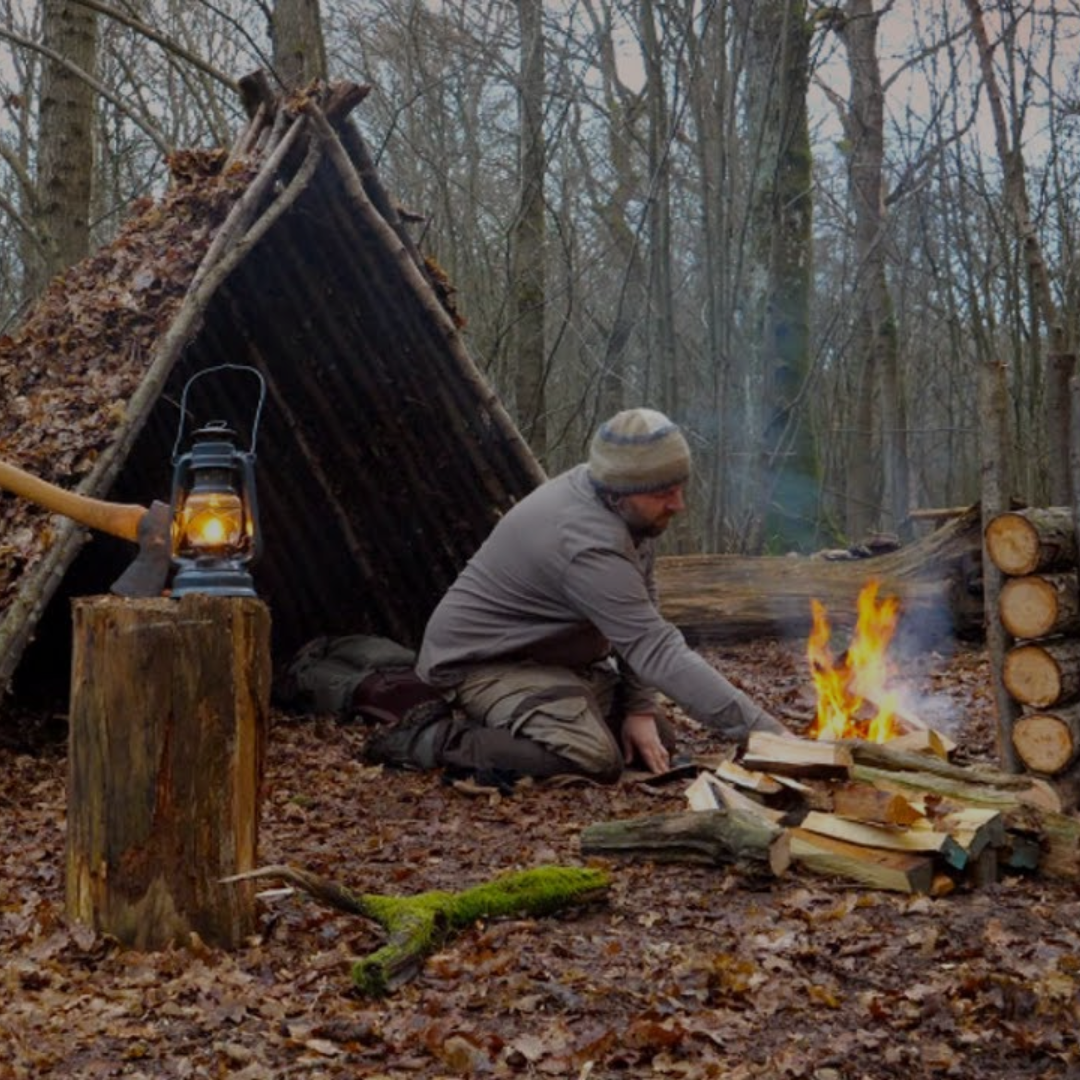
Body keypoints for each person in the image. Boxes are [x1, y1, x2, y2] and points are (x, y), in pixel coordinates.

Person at [364, 407, 791, 782]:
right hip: (481, 663)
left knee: (654, 735)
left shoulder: (628, 508)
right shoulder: (585, 541)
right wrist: (773, 739)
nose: (678, 504)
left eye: (680, 487)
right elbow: (655, 648)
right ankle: (434, 739)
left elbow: (644, 607)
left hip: (549, 659)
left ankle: (562, 711)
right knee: (595, 757)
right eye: (664, 493)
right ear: (618, 494)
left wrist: (639, 707)